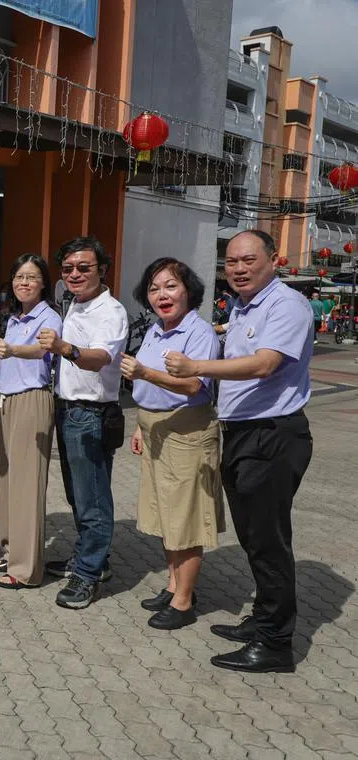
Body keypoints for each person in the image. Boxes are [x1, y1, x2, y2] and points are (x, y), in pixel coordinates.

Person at [165, 229, 313, 673]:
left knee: (269, 543)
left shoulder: (287, 305)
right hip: (245, 434)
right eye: (231, 262)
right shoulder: (247, 307)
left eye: (249, 259)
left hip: (272, 435)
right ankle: (264, 621)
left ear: (274, 260)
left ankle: (274, 644)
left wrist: (197, 366)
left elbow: (267, 363)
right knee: (253, 538)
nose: (239, 269)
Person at [120, 258, 223, 630]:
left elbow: (196, 386)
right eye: (154, 288)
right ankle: (174, 584)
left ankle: (184, 601)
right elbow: (150, 390)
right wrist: (139, 425)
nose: (162, 295)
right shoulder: (157, 331)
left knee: (185, 517)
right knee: (165, 514)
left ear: (188, 291)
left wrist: (146, 372)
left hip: (187, 432)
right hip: (155, 428)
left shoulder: (200, 334)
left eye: (170, 286)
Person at [37, 235, 128, 610]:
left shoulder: (112, 311)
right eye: (69, 268)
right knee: (77, 496)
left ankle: (88, 575)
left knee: (93, 500)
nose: (75, 274)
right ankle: (94, 560)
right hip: (67, 409)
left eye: (84, 268)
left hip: (91, 414)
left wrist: (65, 349)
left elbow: (100, 358)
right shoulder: (73, 303)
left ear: (102, 270)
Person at [0, 254, 62, 589]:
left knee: (27, 484)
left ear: (43, 282)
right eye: (19, 276)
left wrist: (14, 350)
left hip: (33, 398)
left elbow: (41, 351)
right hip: (8, 400)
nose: (24, 283)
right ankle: (10, 549)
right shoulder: (16, 317)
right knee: (7, 480)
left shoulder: (48, 316)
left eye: (31, 277)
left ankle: (26, 568)